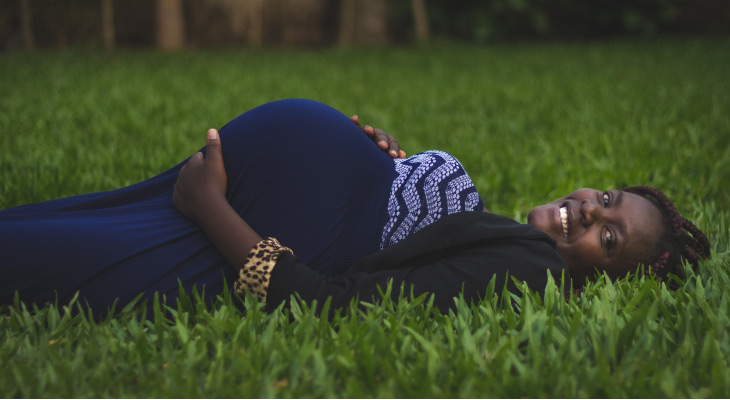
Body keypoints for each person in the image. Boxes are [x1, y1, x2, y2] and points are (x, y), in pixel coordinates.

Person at [0, 99, 710, 315]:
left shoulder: (529, 272)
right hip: (246, 190)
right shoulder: (515, 243)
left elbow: (339, 303)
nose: (589, 213)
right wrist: (390, 166)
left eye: (610, 240)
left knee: (42, 258)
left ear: (614, 282)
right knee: (58, 226)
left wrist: (209, 204)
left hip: (221, 215)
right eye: (607, 200)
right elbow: (405, 232)